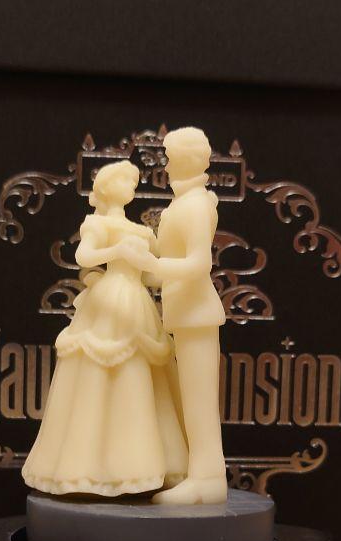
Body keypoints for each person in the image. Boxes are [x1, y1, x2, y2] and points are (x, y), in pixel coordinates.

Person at [22, 160, 187, 497]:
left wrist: (177, 263)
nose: (130, 187)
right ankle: (87, 468)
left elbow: (154, 274)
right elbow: (84, 257)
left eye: (132, 182)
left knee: (141, 377)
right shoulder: (96, 223)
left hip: (136, 302)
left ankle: (140, 464)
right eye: (124, 181)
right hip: (110, 300)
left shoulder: (142, 231)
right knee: (99, 377)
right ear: (107, 188)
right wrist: (118, 250)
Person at [126, 127, 228, 505]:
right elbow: (165, 268)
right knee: (191, 402)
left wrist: (152, 263)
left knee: (200, 402)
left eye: (170, 159)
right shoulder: (182, 205)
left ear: (186, 160)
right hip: (184, 314)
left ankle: (208, 480)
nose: (166, 167)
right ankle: (200, 475)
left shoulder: (197, 205)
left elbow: (199, 264)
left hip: (197, 314)